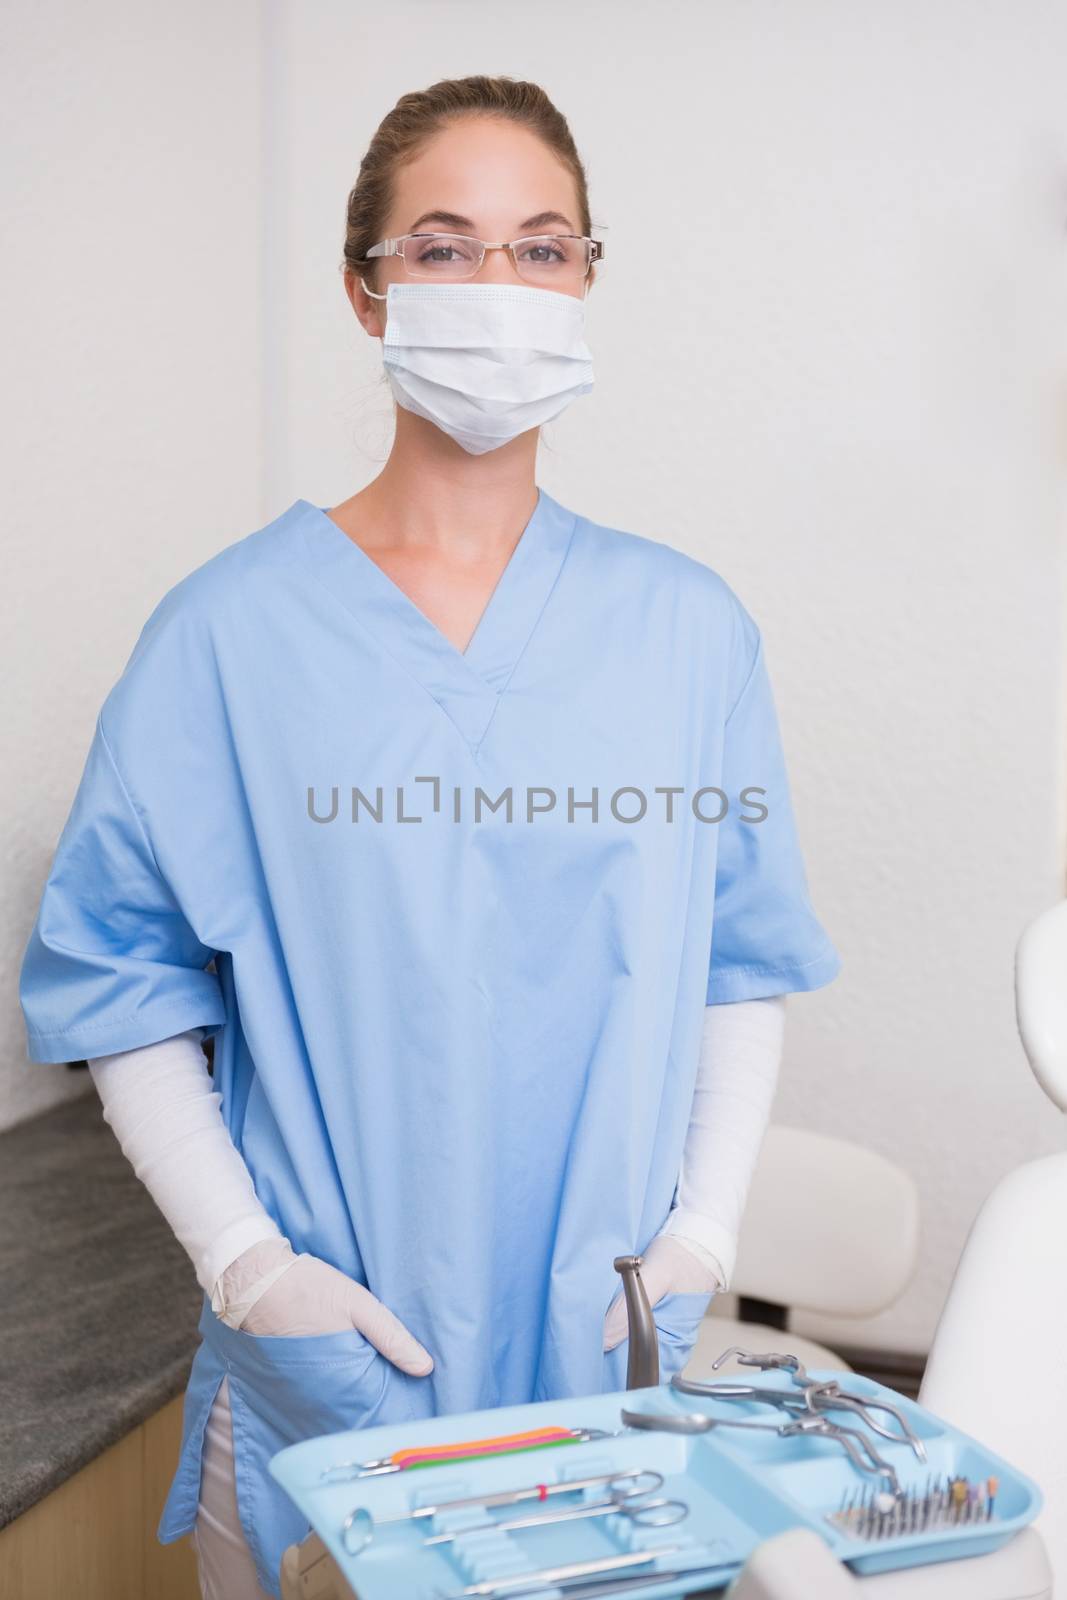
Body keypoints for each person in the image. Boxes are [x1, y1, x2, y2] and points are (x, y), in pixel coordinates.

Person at [18, 74, 841, 1600]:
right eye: (445, 247)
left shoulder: (686, 635)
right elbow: (121, 987)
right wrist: (252, 1272)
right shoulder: (226, 639)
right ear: (365, 288)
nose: (498, 289)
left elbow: (739, 963)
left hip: (608, 1369)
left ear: (591, 277)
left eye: (540, 248)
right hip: (333, 1380)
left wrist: (704, 1241)